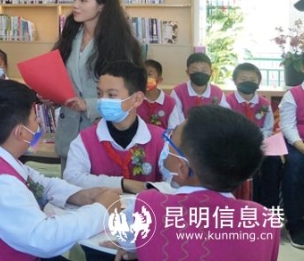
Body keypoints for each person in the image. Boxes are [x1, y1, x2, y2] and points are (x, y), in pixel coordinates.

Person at [0, 79, 121, 261]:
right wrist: (101, 210)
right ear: (20, 132)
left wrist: (81, 195)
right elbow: (44, 238)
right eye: (34, 118)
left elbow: (42, 184)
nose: (39, 122)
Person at [115, 105, 281, 260]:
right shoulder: (264, 219)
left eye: (170, 138)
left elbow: (125, 243)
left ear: (182, 168)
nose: (166, 143)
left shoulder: (146, 206)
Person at [64, 61, 164, 261]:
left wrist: (149, 190)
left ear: (137, 99)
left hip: (147, 234)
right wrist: (124, 184)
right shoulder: (86, 139)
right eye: (99, 94)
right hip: (99, 235)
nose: (102, 101)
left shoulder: (160, 139)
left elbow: (176, 184)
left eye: (111, 95)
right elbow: (72, 178)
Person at [53, 0, 142, 171]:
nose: (75, 5)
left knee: (100, 185)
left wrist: (89, 104)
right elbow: (61, 76)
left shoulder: (120, 43)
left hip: (101, 128)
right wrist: (50, 94)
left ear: (101, 6)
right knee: (69, 185)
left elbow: (127, 91)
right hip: (68, 131)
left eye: (83, 0)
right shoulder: (70, 35)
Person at [226, 62, 281, 208]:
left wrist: (258, 140)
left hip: (259, 143)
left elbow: (268, 128)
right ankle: (241, 204)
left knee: (274, 161)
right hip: (236, 144)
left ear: (258, 82)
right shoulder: (227, 102)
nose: (248, 82)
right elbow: (226, 128)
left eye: (252, 79)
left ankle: (269, 206)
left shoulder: (264, 103)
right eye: (243, 79)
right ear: (235, 81)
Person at [279, 67, 304, 249]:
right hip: (297, 143)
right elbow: (288, 126)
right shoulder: (293, 95)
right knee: (295, 164)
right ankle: (295, 223)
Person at [170, 52, 230, 118]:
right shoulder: (178, 92)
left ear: (211, 72)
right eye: (194, 70)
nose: (199, 73)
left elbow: (226, 116)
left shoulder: (217, 93)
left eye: (204, 70)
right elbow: (175, 120)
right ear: (187, 72)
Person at [136, 59, 183, 129]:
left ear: (159, 80)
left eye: (149, 74)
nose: (145, 78)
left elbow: (173, 128)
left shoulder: (170, 102)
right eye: (142, 75)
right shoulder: (135, 99)